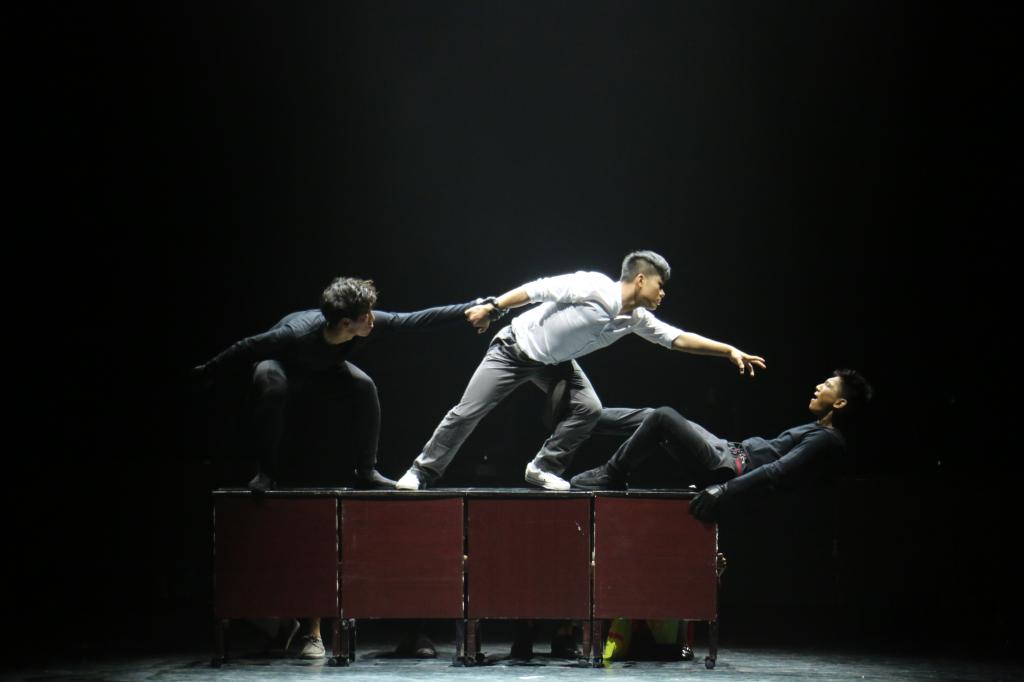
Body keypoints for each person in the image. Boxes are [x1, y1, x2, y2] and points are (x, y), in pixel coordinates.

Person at [395, 250, 766, 491]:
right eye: (660, 285)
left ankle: (542, 467)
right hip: (514, 348)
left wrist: (728, 350)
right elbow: (536, 289)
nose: (663, 293)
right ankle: (420, 472)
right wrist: (493, 308)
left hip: (553, 363)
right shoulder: (594, 286)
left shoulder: (636, 319)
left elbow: (677, 338)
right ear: (641, 279)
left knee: (589, 407)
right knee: (469, 411)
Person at [192, 276, 480, 492]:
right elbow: (246, 347)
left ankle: (366, 472)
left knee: (364, 386)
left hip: (323, 367)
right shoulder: (294, 333)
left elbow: (415, 320)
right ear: (344, 323)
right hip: (280, 364)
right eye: (365, 317)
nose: (372, 320)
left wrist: (471, 308)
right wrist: (208, 370)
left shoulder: (362, 324)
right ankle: (265, 473)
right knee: (273, 385)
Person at [570, 369, 873, 522]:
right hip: (727, 450)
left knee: (663, 416)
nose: (818, 387)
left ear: (840, 402)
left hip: (727, 468)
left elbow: (777, 471)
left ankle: (612, 473)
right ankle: (582, 418)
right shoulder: (819, 430)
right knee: (653, 416)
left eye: (827, 386)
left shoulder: (826, 439)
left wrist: (724, 491)